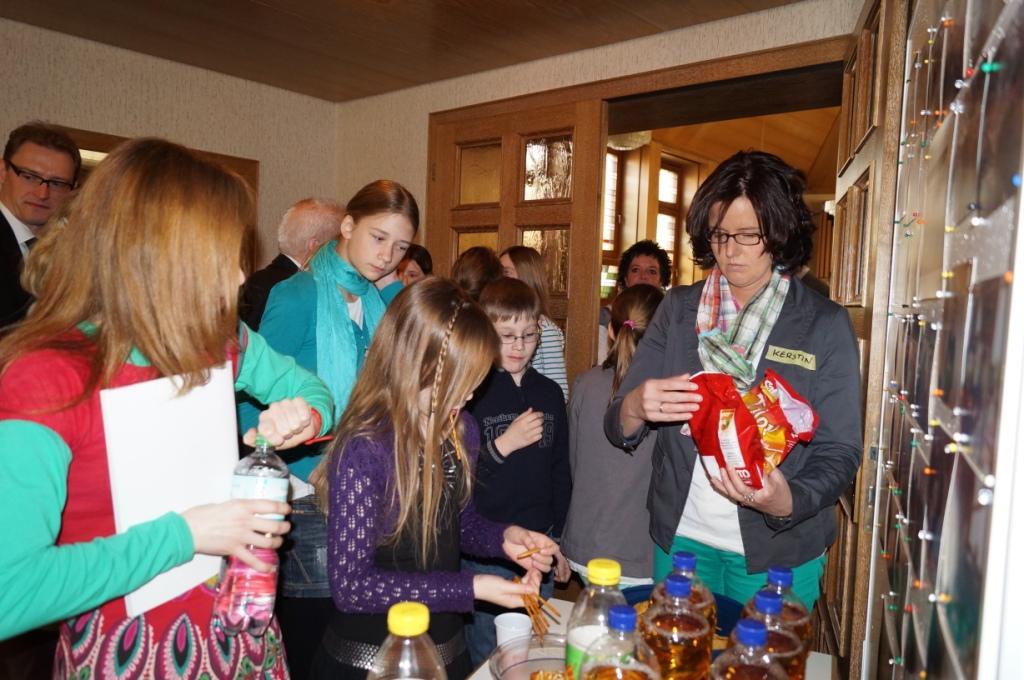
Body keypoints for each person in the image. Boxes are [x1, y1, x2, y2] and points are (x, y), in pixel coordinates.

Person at [0, 138, 336, 677]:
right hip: (127, 652)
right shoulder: (47, 377)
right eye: (222, 255)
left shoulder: (217, 339)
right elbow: (11, 593)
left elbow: (316, 393)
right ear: (158, 256)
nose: (239, 277)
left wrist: (303, 416)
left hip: (240, 632)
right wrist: (186, 535)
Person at [604, 151, 862, 609]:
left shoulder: (823, 323)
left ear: (780, 232)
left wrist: (787, 499)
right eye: (720, 234)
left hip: (777, 548)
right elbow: (618, 423)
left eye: (749, 235)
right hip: (682, 537)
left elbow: (841, 450)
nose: (730, 250)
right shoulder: (678, 309)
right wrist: (634, 406)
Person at [309, 278, 559, 679]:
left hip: (446, 648)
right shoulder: (365, 448)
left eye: (476, 379)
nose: (470, 395)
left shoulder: (462, 430)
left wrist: (505, 538)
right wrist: (471, 587)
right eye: (460, 382)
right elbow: (353, 587)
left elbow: (461, 524)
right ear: (414, 365)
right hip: (372, 659)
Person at [246, 178, 417, 679]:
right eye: (378, 237)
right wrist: (311, 460)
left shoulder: (378, 300)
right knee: (318, 641)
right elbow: (248, 409)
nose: (387, 256)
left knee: (364, 638)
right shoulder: (297, 294)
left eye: (401, 247)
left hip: (370, 487)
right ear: (346, 226)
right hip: (309, 495)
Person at [463, 278, 571, 666]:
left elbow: (560, 470)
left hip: (539, 543)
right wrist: (503, 444)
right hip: (485, 546)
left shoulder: (549, 393)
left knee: (534, 647)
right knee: (486, 651)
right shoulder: (472, 392)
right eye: (507, 336)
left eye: (528, 335)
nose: (519, 346)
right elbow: (460, 478)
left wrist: (560, 539)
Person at [561, 283, 664, 587]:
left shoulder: (586, 383)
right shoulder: (666, 393)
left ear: (610, 330)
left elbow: (573, 461)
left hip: (586, 543)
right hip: (638, 553)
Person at [0, 122, 80, 329]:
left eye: (57, 183)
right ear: (2, 171)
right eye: (29, 177)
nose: (42, 193)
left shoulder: (74, 251)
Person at [240, 197, 345, 329]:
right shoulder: (297, 290)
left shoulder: (258, 282)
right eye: (339, 245)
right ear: (314, 246)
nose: (342, 254)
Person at [500, 245, 568, 399]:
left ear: (526, 277)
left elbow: (560, 391)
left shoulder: (545, 329)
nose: (499, 279)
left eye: (506, 273)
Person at [597, 239, 671, 363]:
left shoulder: (671, 319)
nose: (643, 276)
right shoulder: (605, 318)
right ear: (626, 279)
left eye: (652, 271)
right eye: (635, 270)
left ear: (661, 281)